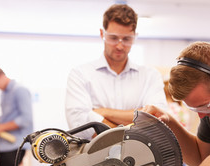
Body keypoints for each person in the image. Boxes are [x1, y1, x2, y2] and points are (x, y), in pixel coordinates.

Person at [65, 4, 167, 139]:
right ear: (102, 34)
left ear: (134, 37)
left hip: (140, 158)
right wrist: (134, 123)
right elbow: (79, 124)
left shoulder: (151, 76)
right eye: (113, 38)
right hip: (92, 159)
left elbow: (155, 119)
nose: (120, 46)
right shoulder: (80, 74)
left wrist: (103, 113)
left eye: (126, 39)